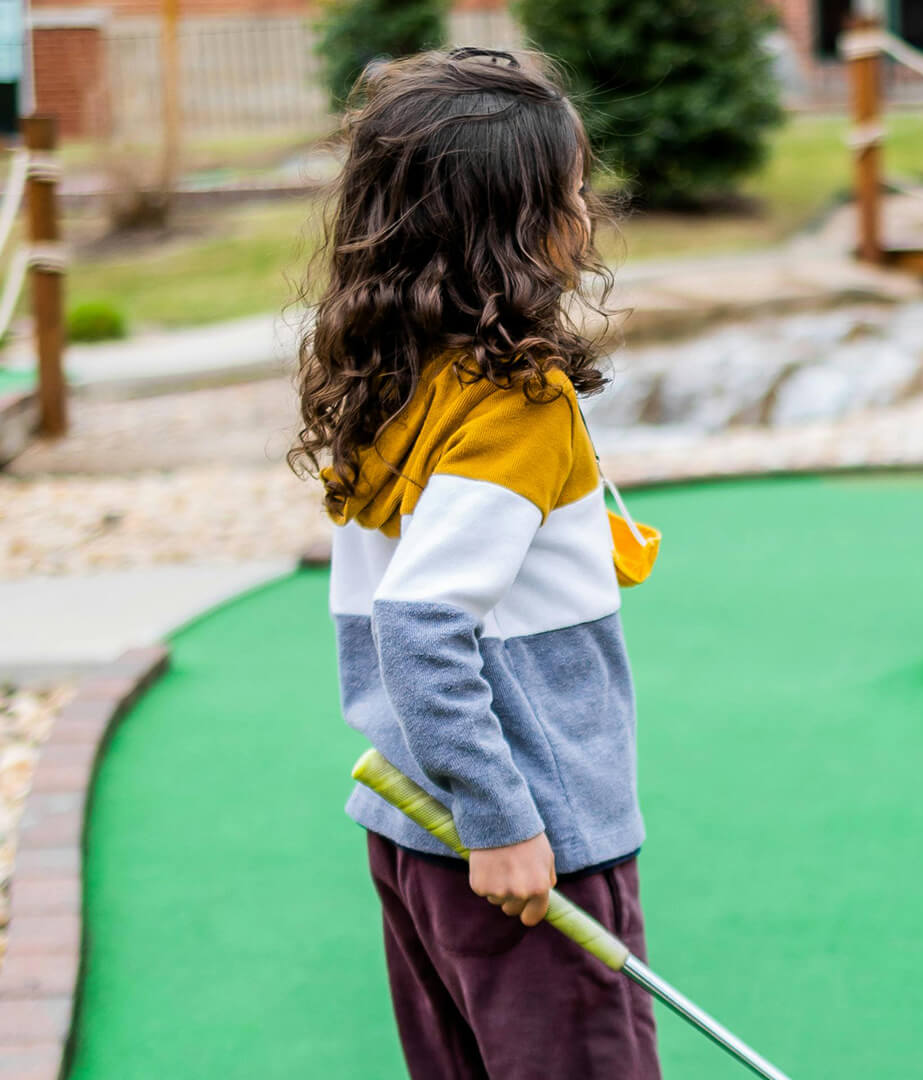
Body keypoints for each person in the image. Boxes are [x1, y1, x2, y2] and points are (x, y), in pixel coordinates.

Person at [289, 47, 659, 1079]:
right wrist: (503, 826)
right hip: (522, 839)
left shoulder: (398, 372)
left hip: (414, 827)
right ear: (518, 226)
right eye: (572, 190)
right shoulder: (514, 404)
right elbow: (420, 622)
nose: (589, 209)